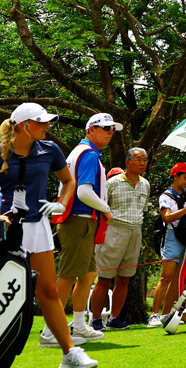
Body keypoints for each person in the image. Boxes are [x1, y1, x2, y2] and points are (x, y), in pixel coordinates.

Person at [0, 103, 98, 368]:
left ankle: (70, 352)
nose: (47, 127)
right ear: (24, 126)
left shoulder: (50, 149)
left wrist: (61, 204)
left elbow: (69, 181)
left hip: (37, 226)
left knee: (47, 291)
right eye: (41, 122)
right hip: (4, 230)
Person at [55, 113, 120, 345]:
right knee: (68, 275)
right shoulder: (90, 154)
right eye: (105, 128)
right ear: (90, 129)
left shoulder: (81, 152)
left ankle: (80, 325)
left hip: (79, 219)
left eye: (112, 129)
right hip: (78, 219)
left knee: (88, 275)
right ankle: (52, 331)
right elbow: (84, 191)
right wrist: (106, 209)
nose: (110, 132)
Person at [89, 148, 149, 330]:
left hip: (135, 231)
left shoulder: (145, 184)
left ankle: (114, 318)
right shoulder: (112, 183)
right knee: (105, 277)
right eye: (138, 159)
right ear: (128, 162)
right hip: (114, 230)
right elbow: (101, 207)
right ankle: (96, 319)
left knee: (125, 278)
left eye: (145, 160)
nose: (142, 163)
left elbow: (143, 209)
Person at [150, 163, 186, 325]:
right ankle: (154, 314)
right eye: (185, 177)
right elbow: (166, 217)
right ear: (175, 176)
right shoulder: (166, 196)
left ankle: (166, 314)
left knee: (177, 279)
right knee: (165, 277)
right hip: (171, 235)